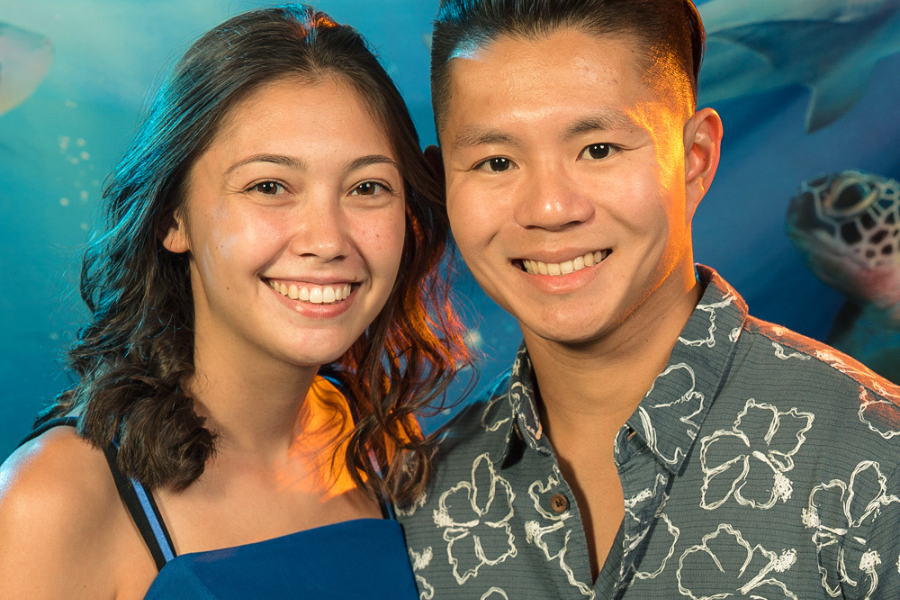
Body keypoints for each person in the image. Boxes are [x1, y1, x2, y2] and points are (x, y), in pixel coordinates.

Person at [397, 0, 900, 598]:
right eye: (496, 161)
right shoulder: (420, 501)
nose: (550, 209)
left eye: (599, 149)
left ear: (695, 160)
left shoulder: (876, 459)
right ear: (443, 183)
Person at [0, 4, 468, 598]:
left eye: (367, 187)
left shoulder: (383, 440)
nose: (327, 240)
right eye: (269, 186)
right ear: (172, 217)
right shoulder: (52, 500)